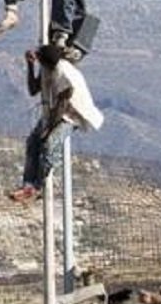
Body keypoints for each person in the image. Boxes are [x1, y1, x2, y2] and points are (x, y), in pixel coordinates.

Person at [8, 43, 105, 204]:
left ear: (46, 62)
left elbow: (62, 105)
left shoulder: (63, 72)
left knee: (49, 145)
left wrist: (49, 129)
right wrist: (30, 65)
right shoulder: (48, 68)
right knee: (33, 143)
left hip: (72, 114)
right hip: (54, 111)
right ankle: (27, 184)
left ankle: (37, 187)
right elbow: (33, 89)